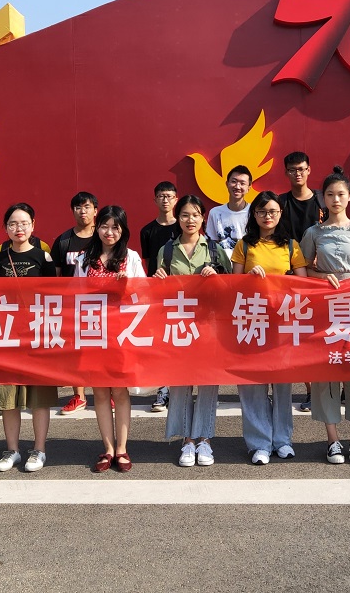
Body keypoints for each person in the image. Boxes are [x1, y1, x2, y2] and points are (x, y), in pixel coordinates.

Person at [299, 167, 350, 465]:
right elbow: (302, 270)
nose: (336, 199)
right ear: (323, 199)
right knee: (326, 371)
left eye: (341, 194)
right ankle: (332, 439)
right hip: (327, 308)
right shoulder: (313, 233)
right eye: (330, 194)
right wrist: (321, 277)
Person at [153, 194, 232, 466]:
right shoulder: (167, 250)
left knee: (208, 383)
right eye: (185, 215)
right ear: (178, 218)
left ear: (203, 218)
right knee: (180, 384)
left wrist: (217, 277)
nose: (190, 220)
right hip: (178, 327)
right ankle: (187, 441)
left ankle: (205, 440)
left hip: (208, 327)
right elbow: (157, 293)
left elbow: (231, 288)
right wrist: (158, 279)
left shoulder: (214, 249)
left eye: (196, 215)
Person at [231, 190, 308, 464]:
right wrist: (249, 278)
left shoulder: (291, 245)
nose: (267, 216)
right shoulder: (244, 245)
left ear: (280, 214)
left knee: (283, 385)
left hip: (282, 322)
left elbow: (302, 284)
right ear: (254, 214)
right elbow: (233, 286)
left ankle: (282, 440)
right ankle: (259, 443)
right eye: (262, 211)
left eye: (273, 211)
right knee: (253, 386)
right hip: (252, 321)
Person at [0, 203, 58, 473]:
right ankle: (12, 450)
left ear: (33, 225)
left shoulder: (43, 258)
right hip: (7, 334)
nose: (19, 228)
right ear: (6, 228)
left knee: (39, 396)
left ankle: (39, 450)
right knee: (7, 395)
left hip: (37, 333)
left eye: (24, 223)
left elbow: (53, 296)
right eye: (13, 224)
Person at [75, 204, 146, 472]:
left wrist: (128, 285)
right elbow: (75, 294)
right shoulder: (85, 259)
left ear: (123, 230)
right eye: (104, 226)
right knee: (100, 392)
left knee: (120, 390)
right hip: (93, 332)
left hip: (121, 333)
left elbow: (144, 293)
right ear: (97, 228)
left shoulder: (131, 257)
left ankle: (122, 448)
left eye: (115, 227)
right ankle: (107, 449)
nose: (109, 232)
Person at [277, 151, 326, 414]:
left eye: (301, 169)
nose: (297, 173)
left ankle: (330, 387)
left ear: (309, 170)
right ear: (286, 173)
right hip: (290, 278)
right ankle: (310, 390)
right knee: (299, 335)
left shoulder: (322, 200)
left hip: (320, 276)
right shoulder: (280, 202)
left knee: (323, 334)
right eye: (292, 169)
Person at [52, 191, 100, 416]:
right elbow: (56, 277)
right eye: (78, 207)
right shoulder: (63, 241)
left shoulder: (103, 237)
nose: (83, 211)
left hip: (101, 305)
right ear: (72, 211)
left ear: (95, 211)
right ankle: (79, 395)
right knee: (76, 352)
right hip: (73, 306)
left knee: (102, 350)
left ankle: (104, 392)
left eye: (87, 207)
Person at [138, 181, 181, 412]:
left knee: (181, 342)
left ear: (176, 199)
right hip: (157, 294)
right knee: (162, 343)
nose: (166, 200)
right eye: (161, 196)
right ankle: (163, 390)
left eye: (170, 196)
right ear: (155, 199)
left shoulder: (183, 226)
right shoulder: (147, 231)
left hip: (182, 294)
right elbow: (149, 263)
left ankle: (182, 389)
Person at [206, 164, 252, 254]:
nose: (237, 186)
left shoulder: (254, 212)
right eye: (234, 181)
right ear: (227, 184)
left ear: (248, 188)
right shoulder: (215, 213)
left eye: (242, 183)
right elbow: (211, 243)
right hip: (223, 262)